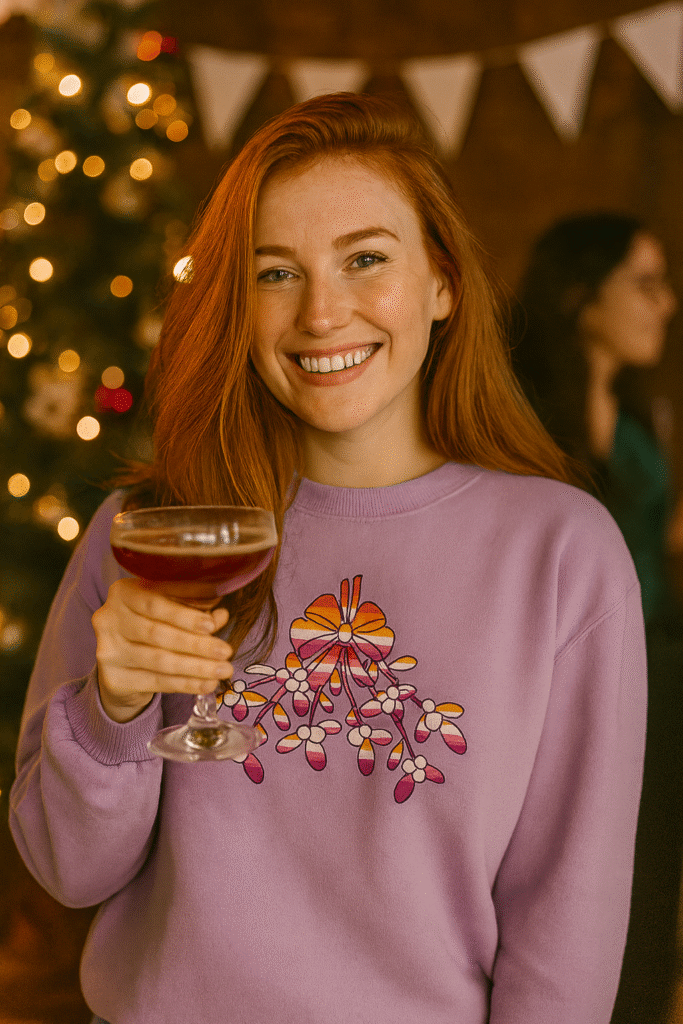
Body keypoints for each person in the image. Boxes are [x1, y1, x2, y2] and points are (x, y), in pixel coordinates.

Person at [9, 94, 646, 1024]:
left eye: (364, 259)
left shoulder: (560, 551)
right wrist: (114, 707)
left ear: (440, 282)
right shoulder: (147, 534)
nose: (320, 312)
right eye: (275, 273)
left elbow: (568, 918)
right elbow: (67, 872)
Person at [513, 213, 683, 1024]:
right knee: (568, 868)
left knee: (648, 868)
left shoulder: (642, 407)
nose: (667, 303)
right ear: (580, 296)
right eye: (644, 284)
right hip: (558, 677)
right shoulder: (520, 417)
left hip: (658, 661)